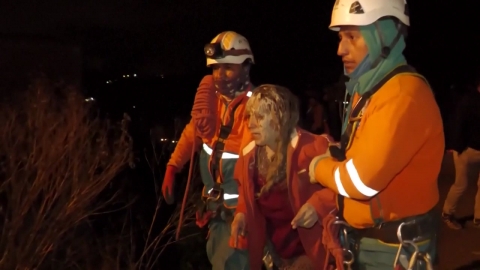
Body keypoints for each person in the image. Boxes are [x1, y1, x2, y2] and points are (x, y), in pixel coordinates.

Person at [309, 0, 444, 269]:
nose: (340, 49)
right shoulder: (370, 90)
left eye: (352, 37)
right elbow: (358, 157)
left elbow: (361, 182)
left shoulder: (403, 94)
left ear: (384, 36)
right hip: (369, 244)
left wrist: (319, 167)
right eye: (340, 37)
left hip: (395, 251)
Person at [161, 31, 255, 269]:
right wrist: (173, 166)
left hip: (240, 216)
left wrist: (243, 211)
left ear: (245, 68)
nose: (220, 76)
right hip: (215, 213)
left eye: (227, 69)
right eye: (215, 69)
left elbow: (253, 167)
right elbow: (192, 133)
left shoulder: (255, 108)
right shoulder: (212, 104)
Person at [229, 84, 336, 269]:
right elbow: (245, 192)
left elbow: (343, 189)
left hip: (312, 252)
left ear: (280, 118)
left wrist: (318, 206)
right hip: (276, 253)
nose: (251, 124)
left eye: (260, 117)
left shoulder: (315, 147)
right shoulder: (249, 156)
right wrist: (241, 214)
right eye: (250, 116)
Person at [442, 76, 480, 230]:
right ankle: (447, 214)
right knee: (461, 184)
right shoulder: (469, 101)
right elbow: (458, 123)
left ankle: (478, 218)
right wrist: (455, 146)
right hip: (466, 150)